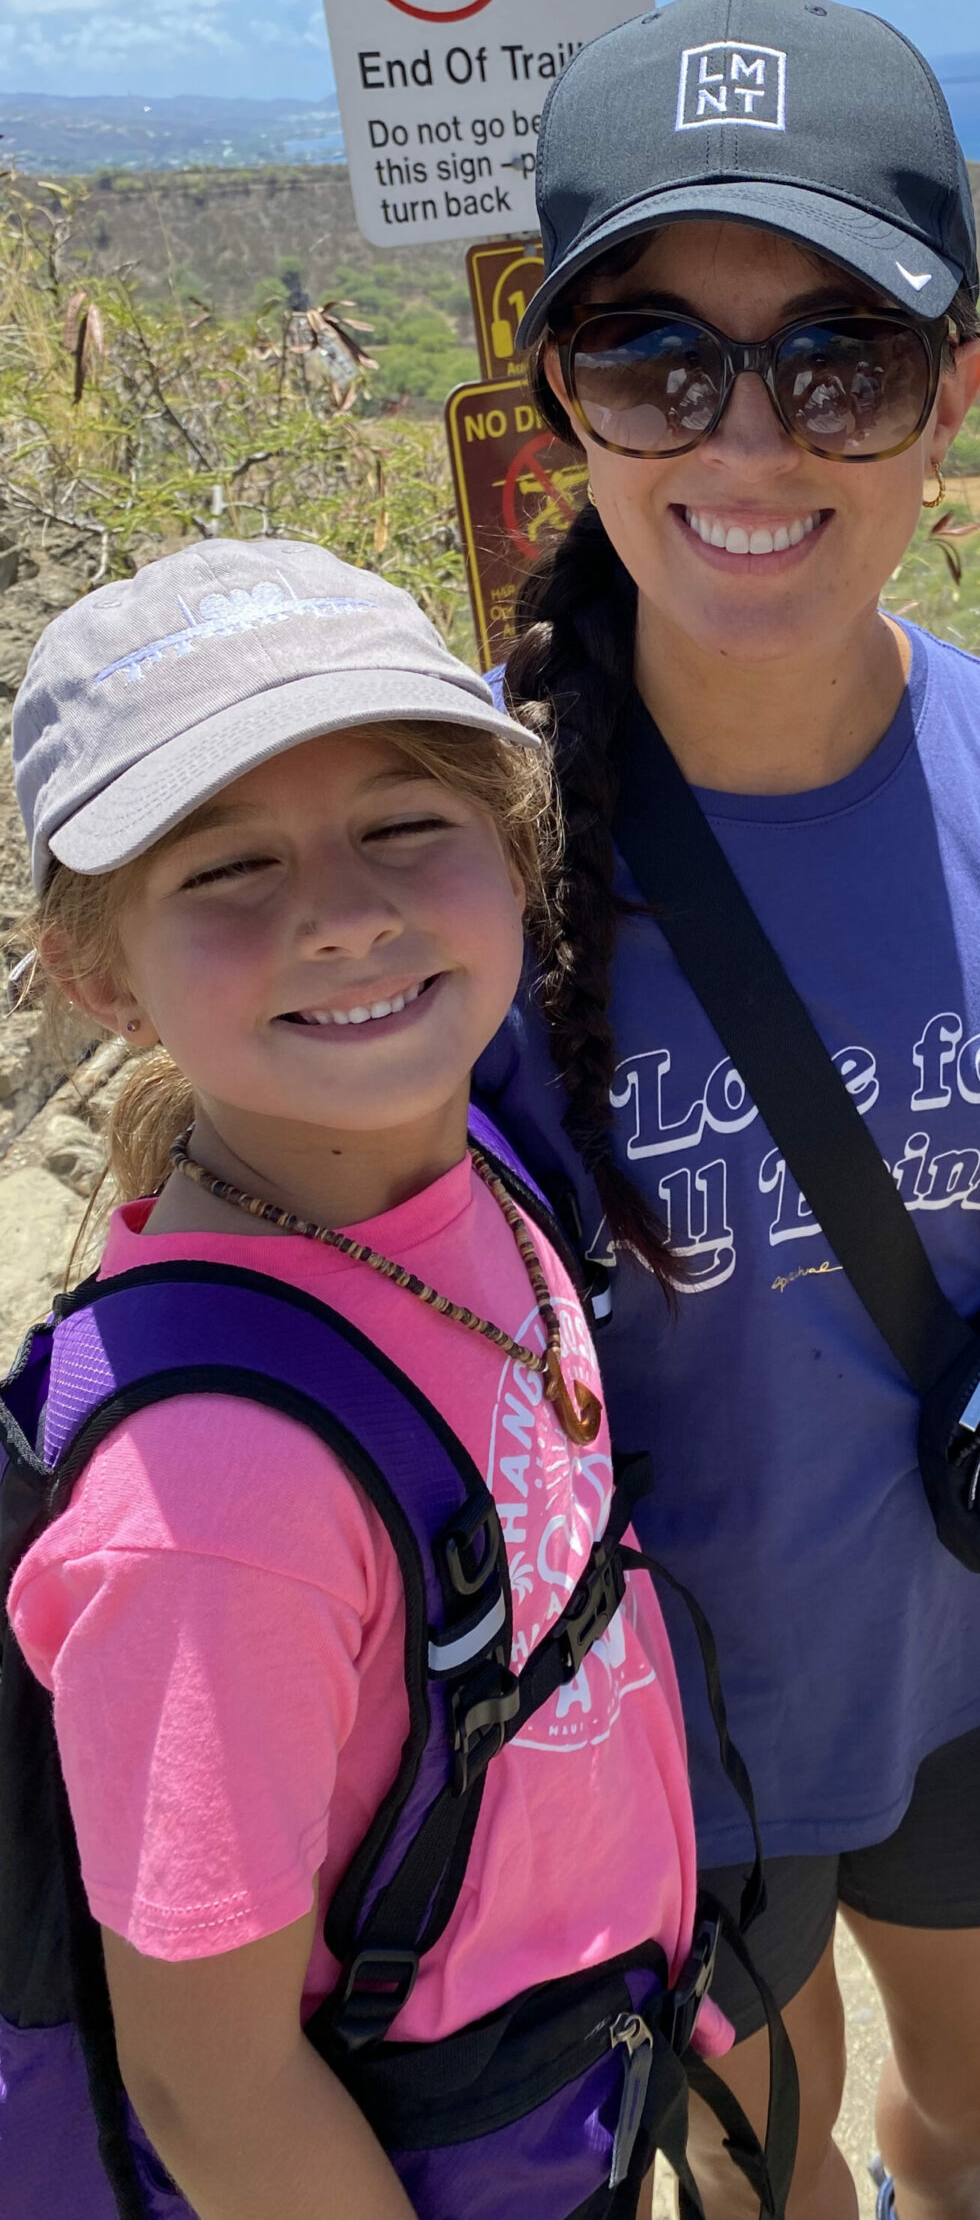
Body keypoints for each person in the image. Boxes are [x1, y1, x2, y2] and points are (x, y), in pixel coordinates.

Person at [478, 0, 980, 2220]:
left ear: (955, 396)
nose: (747, 438)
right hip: (646, 1731)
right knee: (754, 2177)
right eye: (656, 356)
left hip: (979, 1667)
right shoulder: (457, 853)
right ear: (561, 401)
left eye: (840, 357)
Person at [5, 539, 733, 2220]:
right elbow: (215, 2082)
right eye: (228, 871)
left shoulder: (466, 1174)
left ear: (515, 855)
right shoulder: (217, 1507)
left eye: (407, 825)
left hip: (570, 2062)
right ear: (99, 969)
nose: (343, 912)